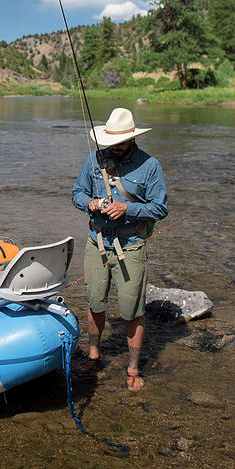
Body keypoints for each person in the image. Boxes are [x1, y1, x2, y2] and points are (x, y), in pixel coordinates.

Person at [72, 107, 168, 391]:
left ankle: (134, 369)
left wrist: (128, 208)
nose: (114, 147)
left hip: (132, 246)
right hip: (97, 242)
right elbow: (77, 192)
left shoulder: (150, 166)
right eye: (110, 142)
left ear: (132, 139)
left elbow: (160, 207)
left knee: (132, 310)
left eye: (120, 143)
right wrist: (88, 203)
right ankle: (93, 354)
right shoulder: (94, 160)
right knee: (95, 302)